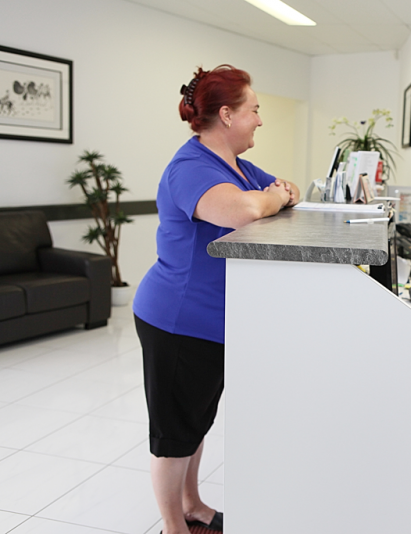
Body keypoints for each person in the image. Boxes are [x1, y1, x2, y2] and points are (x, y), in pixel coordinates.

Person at [132, 65, 299, 534]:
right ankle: (173, 527)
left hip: (214, 322)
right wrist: (267, 198)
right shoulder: (190, 168)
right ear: (227, 115)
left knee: (195, 424)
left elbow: (290, 189)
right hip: (178, 320)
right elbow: (243, 210)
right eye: (255, 110)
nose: (260, 120)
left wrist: (272, 194)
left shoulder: (237, 167)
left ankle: (192, 503)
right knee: (173, 436)